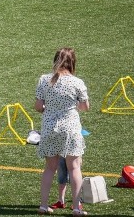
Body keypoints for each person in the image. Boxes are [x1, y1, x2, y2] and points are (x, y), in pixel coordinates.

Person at [35, 48, 90, 216]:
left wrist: (50, 109)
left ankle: (43, 206)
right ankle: (75, 207)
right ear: (72, 63)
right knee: (74, 168)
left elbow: (38, 107)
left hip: (49, 128)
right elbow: (85, 107)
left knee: (49, 168)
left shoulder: (44, 80)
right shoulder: (77, 82)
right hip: (70, 129)